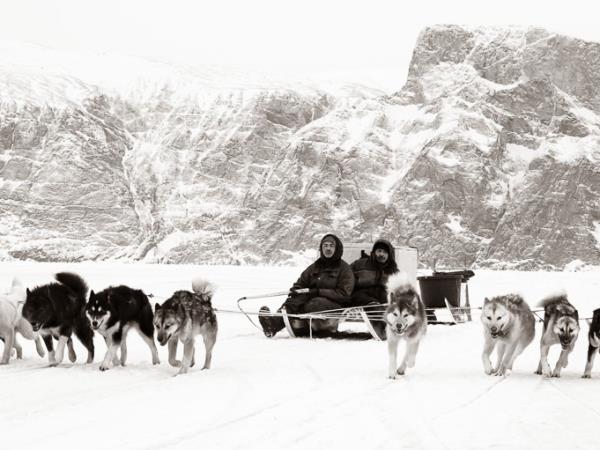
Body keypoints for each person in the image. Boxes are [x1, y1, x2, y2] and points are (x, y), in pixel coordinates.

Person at [259, 234, 354, 337]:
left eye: (331, 246)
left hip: (336, 305)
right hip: (312, 299)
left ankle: (297, 323)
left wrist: (319, 292)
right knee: (293, 300)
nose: (328, 248)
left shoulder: (345, 269)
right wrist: (296, 290)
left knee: (314, 303)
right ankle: (272, 325)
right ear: (321, 248)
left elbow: (344, 294)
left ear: (337, 249)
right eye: (325, 246)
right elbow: (301, 282)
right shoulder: (315, 266)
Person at [348, 239, 399, 339]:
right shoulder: (360, 264)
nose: (381, 254)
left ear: (389, 255)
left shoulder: (393, 270)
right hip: (362, 295)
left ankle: (391, 324)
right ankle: (381, 326)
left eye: (385, 252)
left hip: (382, 298)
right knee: (367, 300)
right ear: (373, 252)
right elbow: (346, 276)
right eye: (379, 251)